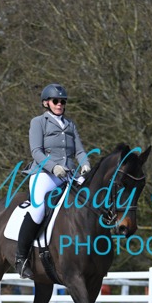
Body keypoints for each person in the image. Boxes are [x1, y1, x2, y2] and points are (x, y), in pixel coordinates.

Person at [15, 83, 91, 279]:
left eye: (62, 101)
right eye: (56, 101)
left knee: (89, 202)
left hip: (68, 174)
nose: (59, 104)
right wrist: (53, 167)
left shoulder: (70, 124)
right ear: (46, 103)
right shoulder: (38, 122)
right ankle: (21, 257)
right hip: (45, 174)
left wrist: (85, 163)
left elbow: (80, 151)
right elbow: (36, 151)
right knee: (38, 208)